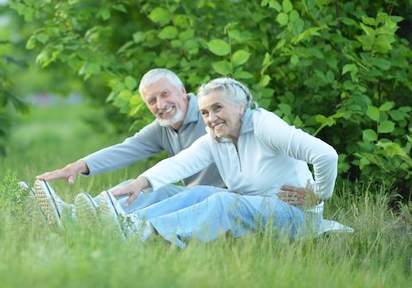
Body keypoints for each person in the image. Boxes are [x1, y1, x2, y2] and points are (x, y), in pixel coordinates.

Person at [97, 77, 354, 247]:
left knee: (223, 200)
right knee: (195, 192)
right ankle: (101, 215)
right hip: (254, 210)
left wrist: (319, 194)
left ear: (240, 107)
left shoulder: (264, 125)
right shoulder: (215, 138)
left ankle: (140, 230)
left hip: (296, 217)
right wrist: (141, 182)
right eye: (205, 112)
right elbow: (179, 163)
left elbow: (325, 154)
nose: (210, 118)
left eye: (217, 108)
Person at [27, 68, 226, 227]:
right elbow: (124, 150)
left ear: (182, 90)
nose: (161, 104)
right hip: (195, 195)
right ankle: (70, 215)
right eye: (152, 101)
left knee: (176, 193)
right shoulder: (162, 129)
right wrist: (77, 166)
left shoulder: (209, 114)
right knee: (140, 186)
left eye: (165, 94)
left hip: (227, 197)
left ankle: (123, 225)